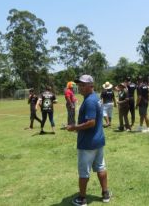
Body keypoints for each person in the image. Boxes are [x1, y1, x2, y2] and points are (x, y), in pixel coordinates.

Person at [66, 75, 111, 206]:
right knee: (101, 167)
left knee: (84, 172)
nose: (79, 87)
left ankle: (82, 198)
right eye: (79, 85)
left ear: (91, 86)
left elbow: (91, 122)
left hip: (88, 143)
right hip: (98, 140)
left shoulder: (90, 101)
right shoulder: (95, 98)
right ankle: (105, 193)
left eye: (83, 85)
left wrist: (75, 127)